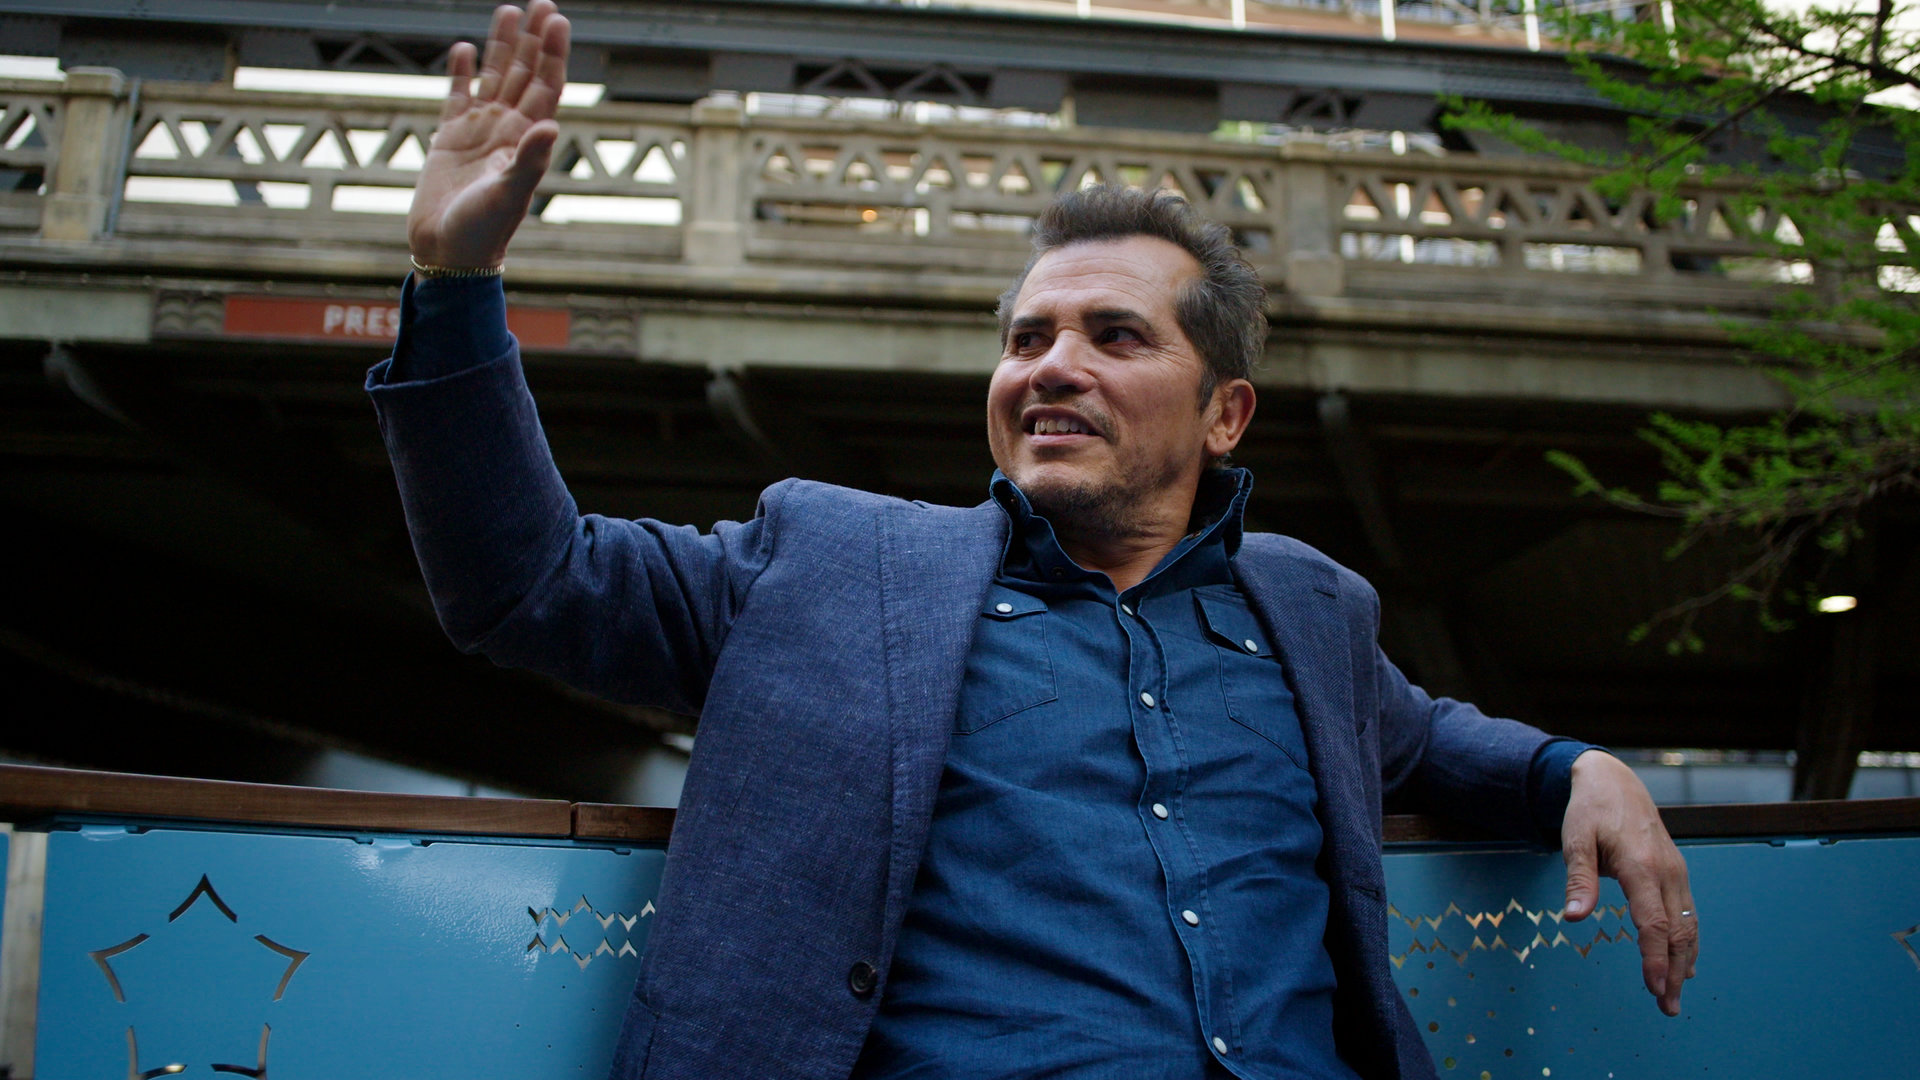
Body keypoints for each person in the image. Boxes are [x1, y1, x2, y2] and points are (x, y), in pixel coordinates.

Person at [369, 4, 1698, 1078]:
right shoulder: (824, 562)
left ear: (1224, 412)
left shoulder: (1312, 614)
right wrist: (455, 282)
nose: (1051, 367)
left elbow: (1433, 739)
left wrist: (1577, 769)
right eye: (1026, 340)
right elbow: (524, 582)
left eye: (1116, 338)